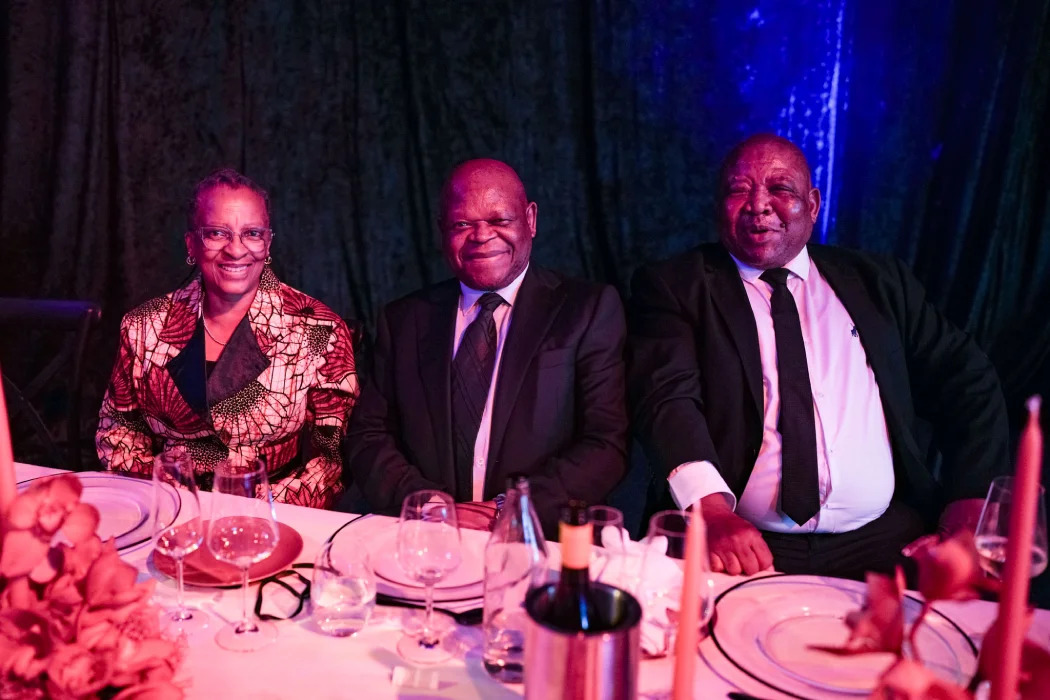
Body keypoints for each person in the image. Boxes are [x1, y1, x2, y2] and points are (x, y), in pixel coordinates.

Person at [627, 134, 1010, 580]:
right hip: (739, 539)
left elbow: (966, 378)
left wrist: (969, 509)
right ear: (718, 207)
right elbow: (665, 399)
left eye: (779, 188)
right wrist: (709, 510)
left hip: (887, 538)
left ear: (812, 205)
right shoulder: (675, 287)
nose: (758, 205)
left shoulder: (877, 282)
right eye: (738, 190)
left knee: (953, 617)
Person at [344, 158, 628, 537]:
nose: (481, 235)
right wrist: (431, 508)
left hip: (539, 541)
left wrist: (510, 510)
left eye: (499, 220)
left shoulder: (587, 310)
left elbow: (606, 443)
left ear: (530, 219)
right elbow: (369, 435)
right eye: (462, 224)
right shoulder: (403, 320)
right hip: (426, 539)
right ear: (442, 230)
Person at [96, 168, 359, 508]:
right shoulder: (142, 326)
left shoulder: (320, 329)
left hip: (274, 514)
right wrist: (170, 494)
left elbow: (332, 460)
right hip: (172, 507)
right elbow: (118, 431)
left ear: (268, 243)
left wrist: (252, 507)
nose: (236, 250)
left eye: (252, 233)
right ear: (192, 244)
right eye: (217, 233)